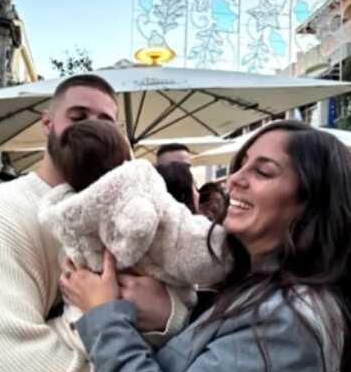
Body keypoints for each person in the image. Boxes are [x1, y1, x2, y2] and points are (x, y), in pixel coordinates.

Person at [61, 120, 351, 372]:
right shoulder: (252, 285)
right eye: (242, 164)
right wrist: (171, 312)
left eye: (263, 171)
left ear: (311, 203)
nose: (236, 177)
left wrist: (103, 315)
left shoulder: (287, 323)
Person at [0, 74, 189, 372]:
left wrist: (167, 313)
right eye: (78, 117)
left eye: (106, 121)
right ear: (48, 124)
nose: (92, 129)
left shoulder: (127, 216)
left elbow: (180, 296)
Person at [39, 119, 230, 355]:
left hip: (82, 331)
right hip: (147, 339)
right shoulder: (150, 201)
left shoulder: (68, 216)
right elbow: (202, 252)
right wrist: (235, 246)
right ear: (125, 159)